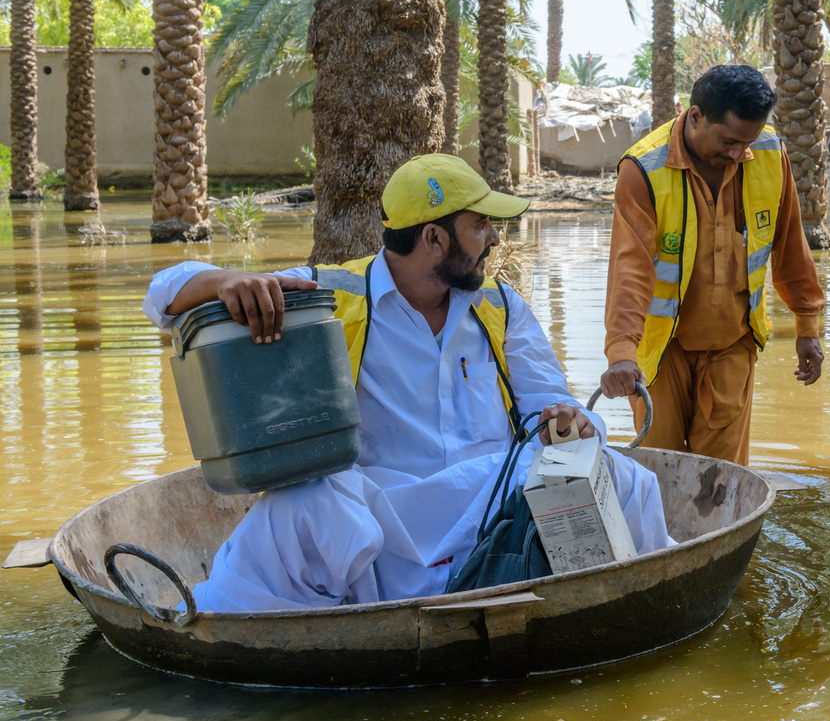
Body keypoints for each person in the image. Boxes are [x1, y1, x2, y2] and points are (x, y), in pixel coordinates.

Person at [143, 154, 674, 612]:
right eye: (481, 225)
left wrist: (567, 419)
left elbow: (548, 404)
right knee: (296, 509)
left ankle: (647, 596)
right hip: (380, 515)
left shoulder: (501, 308)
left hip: (494, 503)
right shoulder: (331, 297)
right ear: (434, 238)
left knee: (625, 478)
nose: (493, 238)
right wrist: (225, 281)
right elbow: (163, 295)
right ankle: (227, 636)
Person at [600, 65, 826, 466]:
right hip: (662, 350)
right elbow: (629, 271)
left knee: (721, 482)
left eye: (747, 142)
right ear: (696, 115)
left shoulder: (770, 154)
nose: (738, 154)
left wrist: (807, 326)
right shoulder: (642, 171)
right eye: (728, 141)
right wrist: (621, 352)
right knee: (661, 475)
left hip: (732, 345)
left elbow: (790, 242)